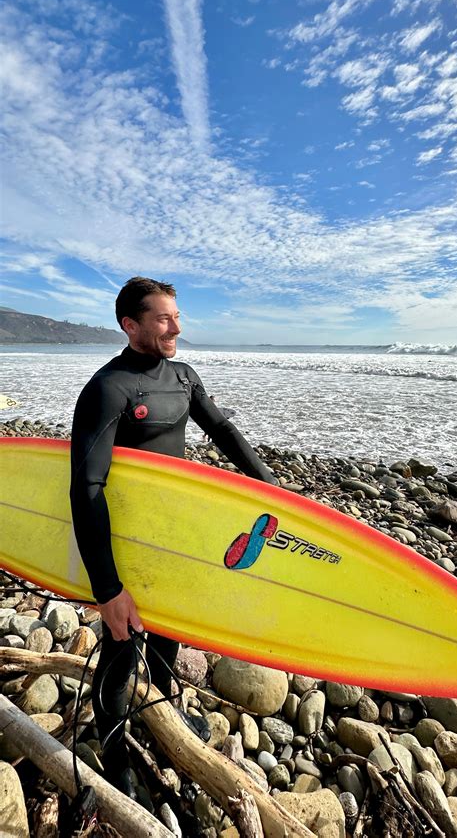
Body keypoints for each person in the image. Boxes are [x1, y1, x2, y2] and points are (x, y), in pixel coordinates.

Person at [70, 276, 276, 797]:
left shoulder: (183, 377)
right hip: (128, 545)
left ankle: (164, 710)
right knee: (120, 649)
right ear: (130, 324)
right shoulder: (108, 387)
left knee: (168, 632)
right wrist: (108, 589)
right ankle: (113, 748)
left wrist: (275, 493)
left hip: (177, 539)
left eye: (177, 316)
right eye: (164, 318)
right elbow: (87, 488)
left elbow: (224, 431)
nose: (176, 326)